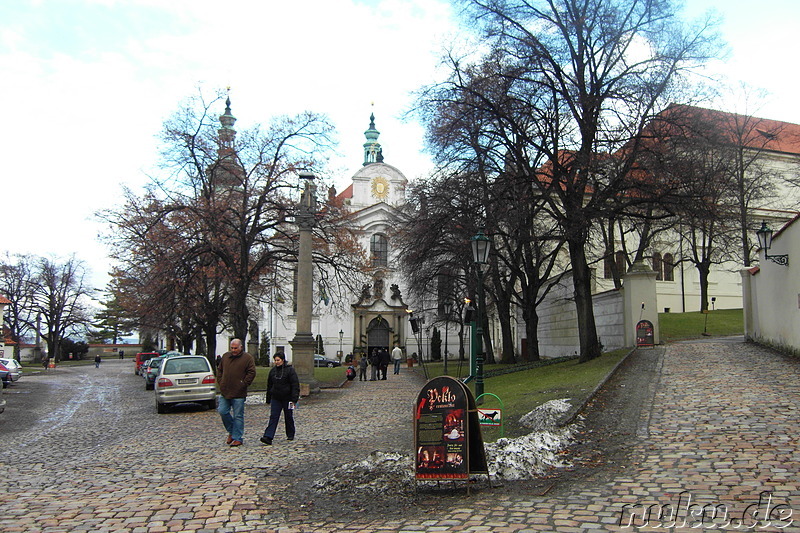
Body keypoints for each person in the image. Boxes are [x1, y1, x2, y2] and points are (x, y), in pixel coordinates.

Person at [217, 338, 256, 447]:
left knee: (238, 416)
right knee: (222, 411)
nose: (233, 350)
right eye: (232, 348)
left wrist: (243, 384)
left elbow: (251, 372)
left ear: (241, 347)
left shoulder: (247, 358)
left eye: (235, 348)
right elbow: (219, 370)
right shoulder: (225, 356)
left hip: (239, 392)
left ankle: (238, 438)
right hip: (225, 391)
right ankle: (232, 432)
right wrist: (221, 382)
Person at [260, 352, 300, 445]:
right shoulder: (273, 371)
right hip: (276, 397)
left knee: (288, 416)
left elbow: (295, 385)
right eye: (275, 360)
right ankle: (268, 436)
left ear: (282, 360)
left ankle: (290, 433)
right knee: (273, 417)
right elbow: (269, 385)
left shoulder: (290, 371)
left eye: (278, 360)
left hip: (288, 398)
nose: (276, 362)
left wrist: (294, 399)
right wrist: (268, 398)